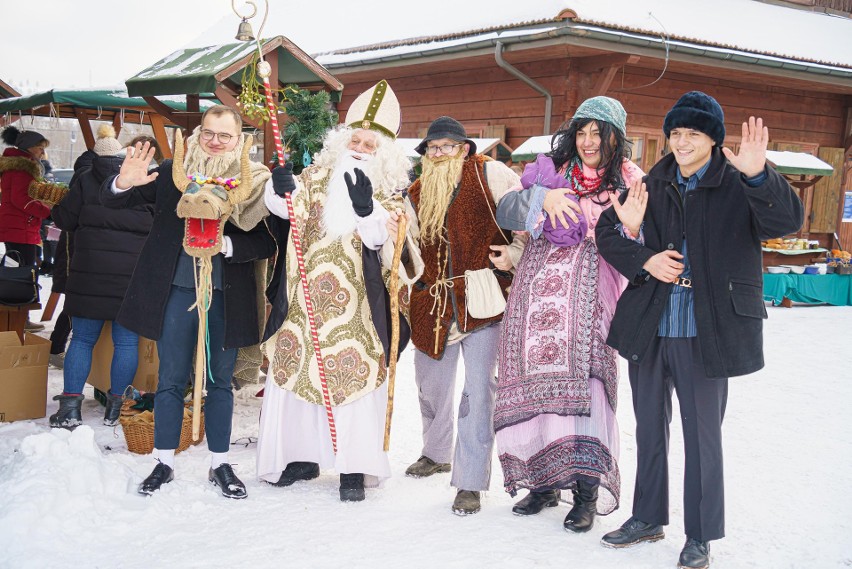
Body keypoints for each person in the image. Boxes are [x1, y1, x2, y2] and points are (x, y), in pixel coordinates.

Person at [595, 91, 803, 569]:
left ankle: (701, 534)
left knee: (702, 433)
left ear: (712, 138)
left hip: (708, 327)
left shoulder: (739, 182)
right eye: (674, 133)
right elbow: (608, 232)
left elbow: (786, 222)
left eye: (692, 133)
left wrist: (757, 173)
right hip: (651, 323)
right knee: (649, 427)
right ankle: (647, 518)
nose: (681, 142)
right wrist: (641, 253)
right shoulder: (655, 181)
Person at [257, 80, 422, 502]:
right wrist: (277, 185)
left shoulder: (390, 193)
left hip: (358, 310)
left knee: (355, 380)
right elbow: (284, 210)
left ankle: (353, 468)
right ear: (341, 138)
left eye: (371, 143)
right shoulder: (315, 176)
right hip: (304, 300)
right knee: (296, 377)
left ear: (384, 151)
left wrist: (368, 211)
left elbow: (384, 246)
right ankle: (301, 458)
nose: (361, 147)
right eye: (356, 138)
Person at [102, 105, 275, 499]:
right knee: (170, 379)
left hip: (227, 298)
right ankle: (163, 461)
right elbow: (115, 203)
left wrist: (229, 243)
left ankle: (220, 463)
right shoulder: (172, 171)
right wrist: (122, 184)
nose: (215, 142)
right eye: (209, 133)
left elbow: (268, 240)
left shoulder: (254, 182)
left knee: (219, 383)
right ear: (200, 132)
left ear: (239, 140)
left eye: (225, 136)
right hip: (176, 291)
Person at [493, 96, 643, 532]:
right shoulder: (555, 173)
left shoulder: (631, 179)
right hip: (536, 296)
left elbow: (642, 235)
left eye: (599, 132)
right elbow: (508, 210)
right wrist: (544, 196)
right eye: (582, 131)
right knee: (536, 386)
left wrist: (628, 227)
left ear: (616, 137)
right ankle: (542, 483)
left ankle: (585, 491)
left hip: (591, 295)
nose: (589, 141)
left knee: (586, 387)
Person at [401, 116, 521, 516]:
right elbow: (406, 250)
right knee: (430, 386)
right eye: (432, 149)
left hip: (483, 297)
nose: (438, 154)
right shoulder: (415, 192)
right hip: (432, 302)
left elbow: (525, 223)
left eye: (446, 147)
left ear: (465, 149)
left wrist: (515, 256)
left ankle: (469, 481)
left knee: (478, 392)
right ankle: (436, 453)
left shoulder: (492, 174)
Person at [48, 125, 155, 428]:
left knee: (81, 339)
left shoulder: (84, 179)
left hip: (88, 274)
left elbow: (65, 219)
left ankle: (70, 408)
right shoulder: (147, 182)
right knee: (126, 343)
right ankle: (116, 407)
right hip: (131, 277)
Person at [0, 126, 52, 330]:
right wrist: (46, 211)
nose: (42, 152)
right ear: (29, 148)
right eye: (40, 148)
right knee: (23, 273)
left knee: (14, 269)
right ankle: (19, 317)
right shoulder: (23, 168)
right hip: (20, 228)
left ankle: (13, 315)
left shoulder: (17, 166)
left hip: (16, 226)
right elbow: (20, 199)